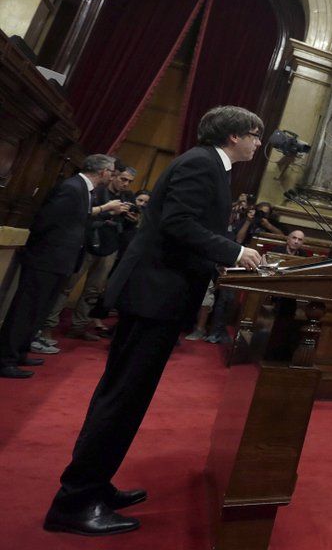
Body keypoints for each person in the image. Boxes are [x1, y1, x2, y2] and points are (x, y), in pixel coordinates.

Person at [44, 107, 264, 536]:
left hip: (160, 295)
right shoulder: (201, 164)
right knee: (121, 398)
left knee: (127, 398)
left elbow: (184, 229)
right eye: (255, 135)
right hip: (153, 295)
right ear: (235, 136)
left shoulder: (210, 167)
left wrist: (217, 260)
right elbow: (178, 224)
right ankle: (74, 502)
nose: (259, 144)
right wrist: (234, 253)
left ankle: (95, 484)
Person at [0, 154, 119, 376]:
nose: (112, 175)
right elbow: (47, 221)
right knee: (26, 310)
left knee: (39, 310)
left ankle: (20, 353)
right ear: (103, 172)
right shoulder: (72, 187)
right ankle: (5, 359)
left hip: (59, 261)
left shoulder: (84, 190)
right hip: (46, 259)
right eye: (111, 171)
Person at [62, 163, 137, 342]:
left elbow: (127, 224)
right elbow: (85, 215)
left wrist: (131, 218)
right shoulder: (98, 191)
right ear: (114, 176)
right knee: (67, 285)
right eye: (123, 179)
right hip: (88, 243)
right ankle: (47, 325)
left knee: (93, 290)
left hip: (110, 246)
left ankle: (79, 327)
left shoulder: (128, 196)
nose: (126, 184)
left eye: (129, 181)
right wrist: (110, 210)